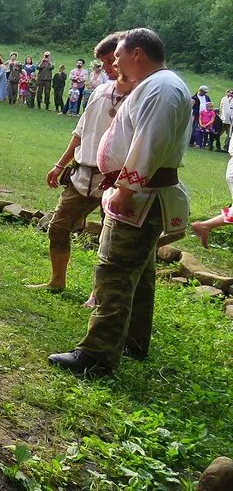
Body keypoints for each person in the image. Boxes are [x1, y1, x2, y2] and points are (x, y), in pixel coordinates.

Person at [49, 28, 191, 375]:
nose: (114, 62)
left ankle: (96, 355)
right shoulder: (160, 85)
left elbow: (148, 142)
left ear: (138, 53)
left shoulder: (160, 88)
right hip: (142, 193)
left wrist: (125, 191)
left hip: (139, 196)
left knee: (114, 271)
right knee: (139, 273)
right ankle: (133, 340)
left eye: (119, 56)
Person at [29, 33, 131, 296]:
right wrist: (60, 165)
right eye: (105, 63)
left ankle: (99, 295)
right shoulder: (99, 90)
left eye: (112, 60)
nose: (109, 68)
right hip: (82, 173)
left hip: (117, 180)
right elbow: (81, 131)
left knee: (112, 239)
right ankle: (57, 280)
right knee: (59, 226)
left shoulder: (139, 97)